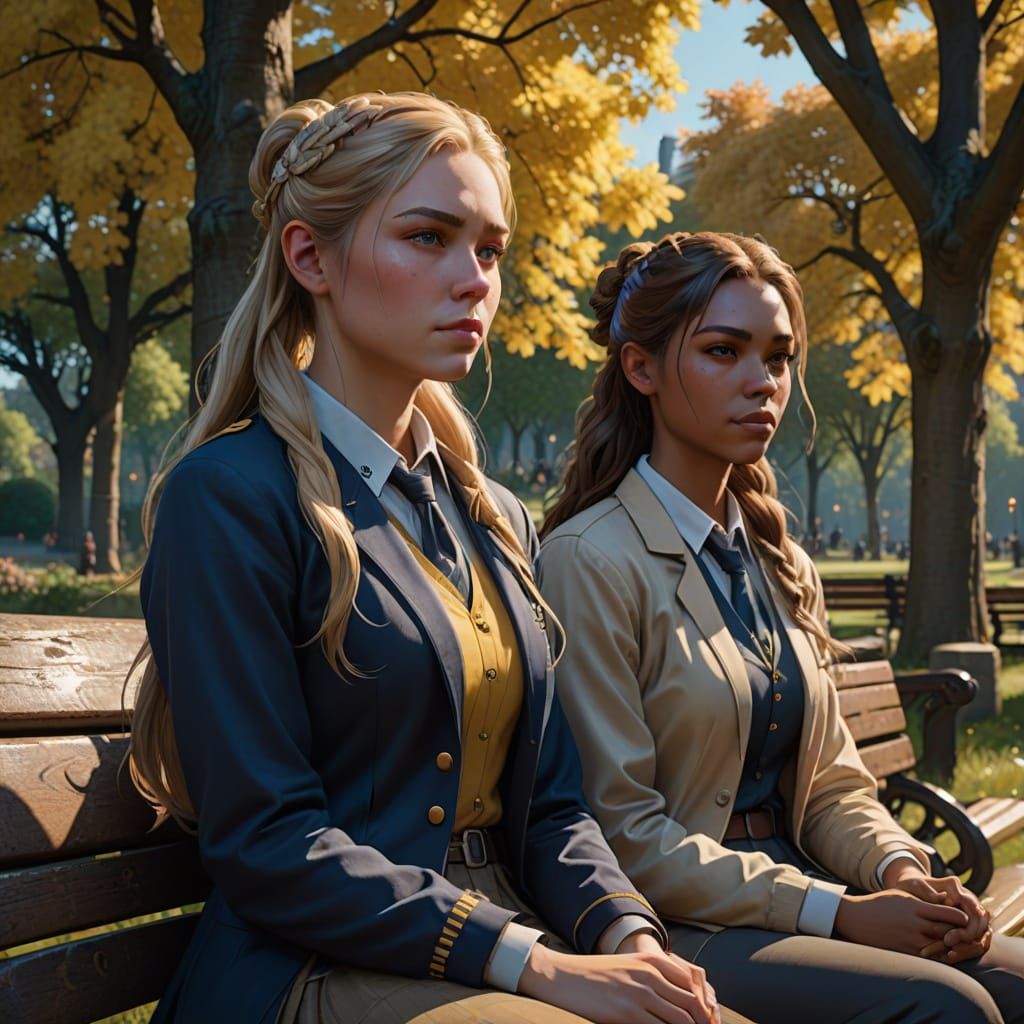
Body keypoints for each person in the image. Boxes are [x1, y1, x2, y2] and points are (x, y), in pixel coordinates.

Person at [126, 94, 746, 1024]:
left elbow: (550, 808)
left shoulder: (492, 516)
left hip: (505, 949)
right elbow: (268, 840)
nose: (474, 280)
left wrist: (631, 940)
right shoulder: (229, 496)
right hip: (305, 971)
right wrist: (537, 964)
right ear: (310, 258)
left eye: (489, 250)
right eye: (428, 237)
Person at [537, 231, 1024, 1024]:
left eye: (777, 357)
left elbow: (833, 784)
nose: (761, 381)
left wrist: (902, 873)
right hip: (676, 926)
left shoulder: (777, 559)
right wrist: (840, 911)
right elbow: (620, 830)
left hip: (805, 891)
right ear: (642, 368)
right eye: (724, 351)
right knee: (948, 1009)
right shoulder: (590, 559)